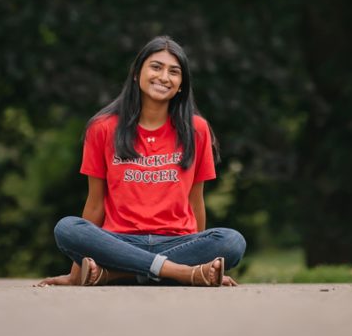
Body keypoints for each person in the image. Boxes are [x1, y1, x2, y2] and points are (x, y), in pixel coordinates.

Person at [36, 34, 245, 288]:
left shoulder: (197, 129)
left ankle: (117, 275)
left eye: (174, 72)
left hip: (176, 241)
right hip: (118, 241)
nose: (164, 77)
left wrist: (200, 252)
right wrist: (75, 274)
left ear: (181, 84)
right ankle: (179, 273)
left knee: (232, 241)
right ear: (137, 73)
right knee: (67, 228)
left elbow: (195, 200)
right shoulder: (102, 128)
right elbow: (95, 203)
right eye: (156, 67)